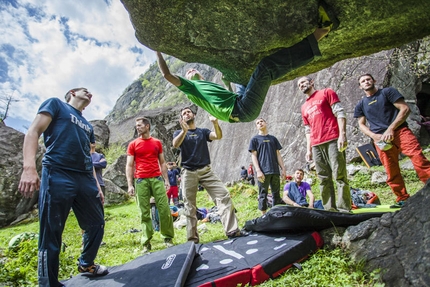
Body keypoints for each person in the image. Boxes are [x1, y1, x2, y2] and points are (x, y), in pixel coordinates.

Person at [156, 3, 339, 123]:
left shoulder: (205, 86)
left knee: (239, 75)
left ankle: (281, 64)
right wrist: (157, 49)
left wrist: (228, 82)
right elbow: (167, 75)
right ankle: (320, 33)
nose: (191, 70)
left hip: (239, 103)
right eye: (188, 72)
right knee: (266, 66)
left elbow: (228, 97)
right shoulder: (191, 88)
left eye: (193, 69)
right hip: (242, 109)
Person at [18, 88, 108, 287]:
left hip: (84, 177)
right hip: (58, 172)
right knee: (51, 231)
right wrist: (29, 167)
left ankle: (86, 263)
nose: (90, 93)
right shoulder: (56, 104)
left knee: (96, 224)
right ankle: (48, 283)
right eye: (85, 90)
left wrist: (96, 185)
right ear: (73, 93)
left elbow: (88, 156)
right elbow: (33, 131)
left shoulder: (87, 125)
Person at [354, 73, 430, 207]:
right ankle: (402, 198)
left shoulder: (388, 92)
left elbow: (404, 108)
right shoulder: (361, 104)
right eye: (363, 81)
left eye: (368, 79)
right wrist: (374, 136)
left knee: (418, 158)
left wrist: (391, 128)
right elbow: (361, 124)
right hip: (380, 140)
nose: (366, 82)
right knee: (390, 170)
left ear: (374, 80)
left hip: (400, 131)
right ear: (360, 86)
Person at [172, 107, 244, 243]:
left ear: (193, 115)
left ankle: (232, 230)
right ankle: (192, 240)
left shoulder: (202, 131)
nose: (187, 114)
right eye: (184, 114)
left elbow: (218, 136)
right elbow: (175, 144)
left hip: (206, 170)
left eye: (188, 112)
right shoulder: (179, 132)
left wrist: (215, 123)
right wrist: (184, 131)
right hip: (188, 172)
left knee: (223, 195)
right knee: (189, 205)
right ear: (182, 119)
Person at [298, 76, 351, 212]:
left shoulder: (326, 92)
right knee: (323, 178)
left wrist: (342, 134)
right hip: (316, 144)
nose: (301, 85)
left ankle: (344, 208)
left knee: (339, 174)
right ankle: (329, 209)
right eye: (299, 85)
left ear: (311, 82)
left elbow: (340, 112)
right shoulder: (304, 107)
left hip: (332, 138)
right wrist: (308, 149)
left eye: (303, 82)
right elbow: (307, 130)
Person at [126, 117, 175, 253]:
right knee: (144, 212)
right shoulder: (133, 144)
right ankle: (146, 242)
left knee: (164, 209)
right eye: (136, 125)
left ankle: (167, 238)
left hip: (157, 178)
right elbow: (129, 165)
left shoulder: (157, 143)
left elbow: (162, 162)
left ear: (147, 126)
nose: (137, 127)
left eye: (140, 125)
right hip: (140, 180)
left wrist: (166, 180)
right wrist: (130, 185)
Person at [249, 118, 286, 215]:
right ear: (256, 127)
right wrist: (258, 171)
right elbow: (254, 156)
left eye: (261, 121)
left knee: (276, 194)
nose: (260, 123)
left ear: (266, 123)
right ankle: (264, 217)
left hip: (275, 170)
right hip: (263, 172)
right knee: (263, 194)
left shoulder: (273, 139)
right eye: (257, 123)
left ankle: (275, 215)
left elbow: (278, 154)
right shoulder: (255, 139)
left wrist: (283, 168)